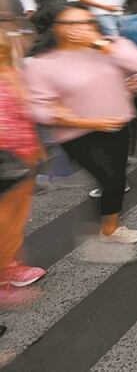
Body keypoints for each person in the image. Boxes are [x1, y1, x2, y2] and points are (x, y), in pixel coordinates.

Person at [24, 3, 137, 243]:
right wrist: (89, 122)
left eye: (87, 22)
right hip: (78, 134)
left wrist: (100, 44)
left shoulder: (112, 45)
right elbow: (39, 108)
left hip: (118, 124)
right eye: (71, 24)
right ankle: (109, 230)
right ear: (55, 27)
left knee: (116, 178)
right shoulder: (42, 63)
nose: (81, 28)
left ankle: (108, 225)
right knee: (111, 178)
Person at [0, 28, 46, 305]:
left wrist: (35, 146)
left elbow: (27, 113)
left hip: (21, 157)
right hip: (6, 159)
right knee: (6, 219)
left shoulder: (12, 71)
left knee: (15, 217)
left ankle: (10, 267)